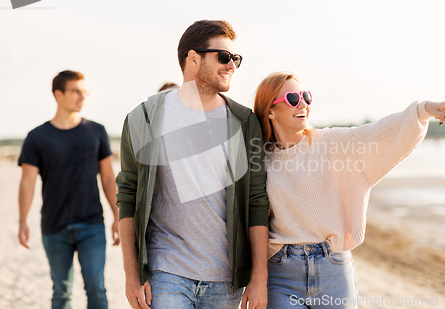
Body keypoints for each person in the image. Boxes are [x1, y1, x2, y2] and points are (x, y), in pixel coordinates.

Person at [253, 72, 445, 309]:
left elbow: (381, 132)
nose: (302, 104)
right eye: (292, 98)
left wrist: (424, 109)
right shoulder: (259, 159)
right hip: (281, 275)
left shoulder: (332, 144)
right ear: (270, 111)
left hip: (332, 270)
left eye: (306, 97)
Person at [116, 20, 269, 309]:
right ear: (193, 58)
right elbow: (127, 196)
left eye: (235, 58)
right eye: (223, 57)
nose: (232, 65)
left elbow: (256, 201)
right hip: (166, 271)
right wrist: (131, 274)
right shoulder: (144, 118)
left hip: (225, 279)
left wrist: (259, 277)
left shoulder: (245, 122)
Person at [17, 70, 120, 309]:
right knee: (61, 293)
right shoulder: (36, 137)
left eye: (85, 92)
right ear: (58, 94)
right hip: (54, 227)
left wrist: (117, 216)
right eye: (76, 91)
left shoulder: (96, 131)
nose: (82, 97)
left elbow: (107, 177)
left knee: (96, 289)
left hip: (91, 224)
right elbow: (27, 182)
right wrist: (22, 221)